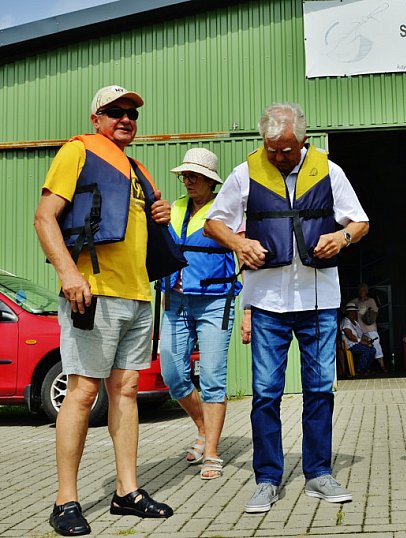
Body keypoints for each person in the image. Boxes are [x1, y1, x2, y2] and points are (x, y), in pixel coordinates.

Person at [204, 102, 369, 512]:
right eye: (271, 149)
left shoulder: (330, 172)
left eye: (286, 150)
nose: (278, 156)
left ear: (304, 141)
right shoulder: (245, 172)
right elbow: (214, 221)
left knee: (318, 390)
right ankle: (267, 479)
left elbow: (360, 221)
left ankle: (318, 474)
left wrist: (342, 239)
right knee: (265, 394)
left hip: (319, 301)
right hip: (267, 302)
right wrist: (240, 243)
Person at [33, 85, 173, 536]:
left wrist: (160, 215)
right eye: (115, 111)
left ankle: (126, 492)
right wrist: (69, 274)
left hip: (136, 294)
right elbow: (44, 216)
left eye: (132, 112)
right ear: (96, 118)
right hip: (92, 291)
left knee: (127, 390)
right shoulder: (78, 151)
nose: (126, 118)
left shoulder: (136, 169)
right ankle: (65, 501)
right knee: (82, 392)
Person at [158, 148, 242, 480]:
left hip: (214, 301)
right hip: (175, 301)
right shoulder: (175, 208)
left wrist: (247, 310)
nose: (187, 181)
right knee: (172, 373)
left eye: (194, 176)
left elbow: (244, 256)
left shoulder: (228, 210)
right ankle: (203, 427)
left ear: (210, 180)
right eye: (184, 176)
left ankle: (211, 452)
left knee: (212, 377)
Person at [352, 283, 387, 372]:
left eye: (363, 290)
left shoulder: (371, 301)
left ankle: (382, 366)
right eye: (360, 290)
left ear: (367, 292)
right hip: (360, 330)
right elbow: (346, 309)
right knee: (365, 349)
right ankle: (365, 368)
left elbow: (376, 313)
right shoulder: (355, 302)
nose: (362, 292)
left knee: (376, 346)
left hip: (370, 329)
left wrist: (369, 315)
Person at [340, 301, 376, 374]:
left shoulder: (355, 322)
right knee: (366, 351)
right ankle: (360, 370)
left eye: (354, 312)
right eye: (350, 312)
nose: (352, 313)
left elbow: (361, 334)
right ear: (347, 313)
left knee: (373, 350)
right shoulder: (345, 322)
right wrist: (362, 342)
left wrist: (367, 339)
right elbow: (350, 336)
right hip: (350, 345)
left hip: (357, 343)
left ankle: (365, 369)